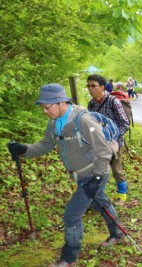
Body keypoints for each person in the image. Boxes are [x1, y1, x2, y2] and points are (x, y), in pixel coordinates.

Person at [7, 84, 123, 266]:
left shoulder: (84, 120)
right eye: (43, 108)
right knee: (100, 203)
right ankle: (117, 233)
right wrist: (24, 149)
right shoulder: (54, 123)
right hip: (80, 176)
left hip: (94, 174)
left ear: (61, 102)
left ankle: (69, 257)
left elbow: (103, 152)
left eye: (47, 107)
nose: (45, 111)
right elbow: (45, 145)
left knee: (72, 214)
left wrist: (97, 179)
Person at [87, 74, 130, 204]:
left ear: (102, 87)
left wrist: (112, 138)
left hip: (114, 144)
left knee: (116, 170)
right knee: (98, 171)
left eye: (93, 86)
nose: (90, 89)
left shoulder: (113, 101)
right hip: (98, 145)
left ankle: (122, 195)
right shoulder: (91, 104)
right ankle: (100, 198)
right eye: (88, 86)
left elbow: (124, 123)